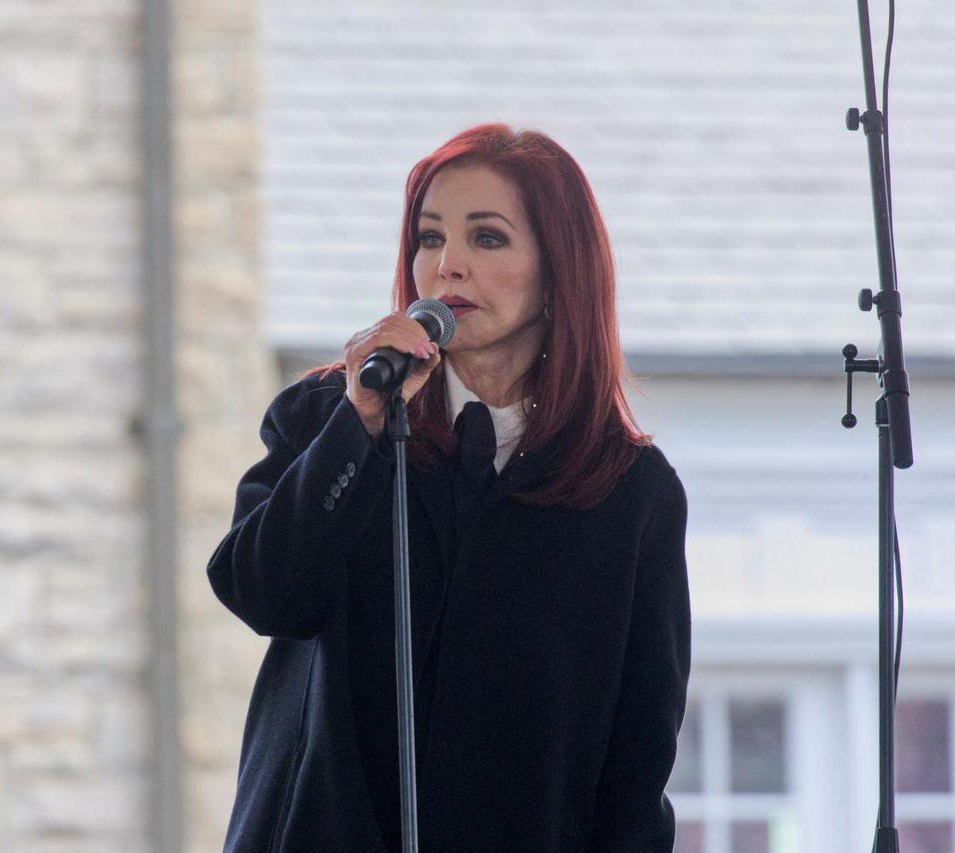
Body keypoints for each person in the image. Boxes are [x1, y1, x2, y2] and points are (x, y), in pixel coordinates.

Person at [206, 123, 691, 852]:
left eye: (486, 238)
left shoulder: (627, 491)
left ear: (559, 270)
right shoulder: (329, 416)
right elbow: (263, 591)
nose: (447, 267)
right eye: (429, 239)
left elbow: (635, 765)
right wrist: (360, 425)